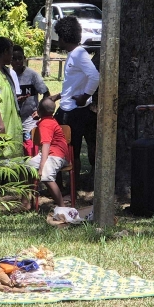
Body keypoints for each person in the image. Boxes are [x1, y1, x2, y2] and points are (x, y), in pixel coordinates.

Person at [50, 16, 99, 189]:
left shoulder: (79, 54)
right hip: (67, 107)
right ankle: (63, 186)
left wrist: (85, 96)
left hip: (74, 111)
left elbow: (94, 76)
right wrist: (57, 96)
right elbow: (73, 84)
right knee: (63, 148)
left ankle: (71, 188)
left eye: (58, 37)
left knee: (72, 150)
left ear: (63, 38)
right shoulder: (74, 55)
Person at [25, 97, 69, 208]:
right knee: (25, 168)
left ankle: (62, 207)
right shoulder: (48, 120)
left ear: (39, 110)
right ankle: (25, 203)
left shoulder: (45, 124)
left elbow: (46, 145)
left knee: (47, 176)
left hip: (56, 155)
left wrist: (41, 167)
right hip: (50, 154)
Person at [11, 44, 50, 156]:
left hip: (30, 120)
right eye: (14, 58)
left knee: (30, 149)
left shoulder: (32, 75)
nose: (18, 61)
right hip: (14, 119)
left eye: (20, 58)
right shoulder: (9, 75)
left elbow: (46, 94)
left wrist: (40, 111)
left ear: (24, 59)